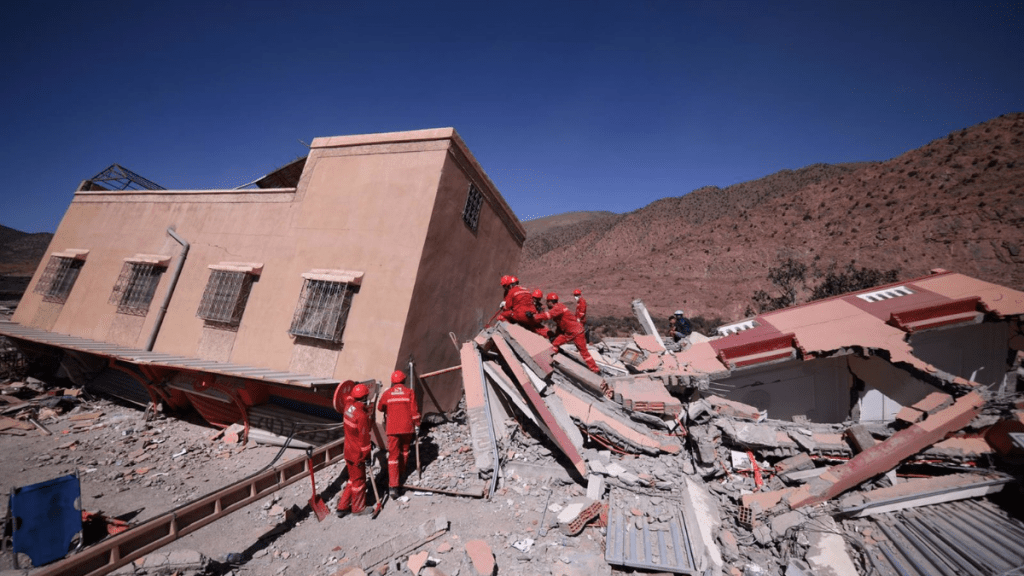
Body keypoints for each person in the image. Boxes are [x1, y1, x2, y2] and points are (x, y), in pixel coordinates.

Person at [531, 293, 601, 374]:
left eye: (547, 302)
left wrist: (534, 316)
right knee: (584, 352)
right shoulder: (560, 307)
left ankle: (551, 360)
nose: (547, 304)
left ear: (550, 302)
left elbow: (547, 316)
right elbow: (560, 325)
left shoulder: (557, 308)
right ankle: (595, 369)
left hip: (572, 332)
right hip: (578, 330)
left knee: (555, 344)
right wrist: (556, 335)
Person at [377, 370, 421, 498]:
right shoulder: (409, 392)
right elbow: (414, 411)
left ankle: (393, 486)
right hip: (407, 428)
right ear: (404, 380)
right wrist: (417, 424)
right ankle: (401, 474)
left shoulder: (388, 393)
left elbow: (380, 408)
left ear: (392, 381)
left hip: (392, 429)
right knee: (405, 451)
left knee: (393, 456)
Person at [336, 383, 372, 517]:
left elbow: (347, 399)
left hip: (348, 450)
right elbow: (364, 440)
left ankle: (342, 507)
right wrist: (367, 456)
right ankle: (358, 508)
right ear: (364, 397)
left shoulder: (347, 408)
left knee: (352, 479)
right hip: (357, 453)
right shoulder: (361, 416)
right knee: (359, 481)